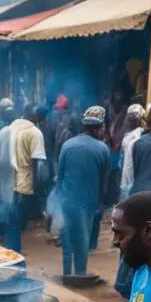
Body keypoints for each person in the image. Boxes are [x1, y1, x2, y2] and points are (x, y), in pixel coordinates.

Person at [56, 106, 110, 276]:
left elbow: (60, 176)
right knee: (82, 241)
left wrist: (59, 198)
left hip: (66, 200)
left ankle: (66, 274)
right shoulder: (102, 149)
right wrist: (100, 203)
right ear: (99, 127)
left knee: (67, 241)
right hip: (87, 203)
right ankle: (79, 275)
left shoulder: (68, 145)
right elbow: (104, 183)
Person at [0, 104, 46, 253]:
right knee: (17, 224)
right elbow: (38, 166)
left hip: (6, 188)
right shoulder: (33, 133)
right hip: (23, 189)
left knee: (10, 224)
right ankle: (15, 257)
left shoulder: (3, 132)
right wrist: (37, 189)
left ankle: (11, 254)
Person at [118, 104, 146, 198]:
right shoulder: (131, 135)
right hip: (130, 181)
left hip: (131, 182)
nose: (129, 120)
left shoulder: (138, 137)